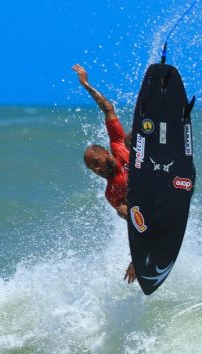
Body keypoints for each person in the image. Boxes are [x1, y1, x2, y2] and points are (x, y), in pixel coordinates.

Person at [72, 63, 137, 284]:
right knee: (122, 209)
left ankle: (159, 131)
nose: (97, 170)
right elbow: (131, 222)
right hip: (148, 209)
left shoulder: (118, 146)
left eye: (97, 163)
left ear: (107, 153)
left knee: (130, 138)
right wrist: (136, 259)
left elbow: (107, 108)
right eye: (92, 169)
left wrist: (86, 84)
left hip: (156, 168)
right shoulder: (112, 192)